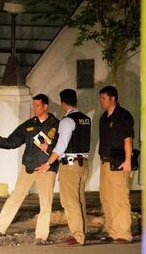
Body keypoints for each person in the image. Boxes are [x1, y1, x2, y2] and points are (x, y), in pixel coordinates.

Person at [0, 94, 60, 245]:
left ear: (45, 106)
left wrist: (49, 154)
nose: (34, 109)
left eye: (37, 106)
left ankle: (41, 236)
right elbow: (12, 142)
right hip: (29, 167)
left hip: (46, 169)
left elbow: (62, 147)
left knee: (46, 203)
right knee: (15, 197)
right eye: (33, 105)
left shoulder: (57, 124)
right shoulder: (29, 124)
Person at [39, 89, 91, 247]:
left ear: (63, 103)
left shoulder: (67, 121)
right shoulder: (85, 119)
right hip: (83, 164)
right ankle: (82, 233)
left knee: (70, 201)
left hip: (70, 165)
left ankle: (77, 236)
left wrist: (48, 163)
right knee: (79, 200)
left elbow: (62, 146)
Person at [97, 86, 135, 244]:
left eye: (103, 98)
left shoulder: (123, 116)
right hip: (105, 162)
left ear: (113, 98)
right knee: (106, 197)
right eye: (100, 99)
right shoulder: (104, 117)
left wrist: (128, 161)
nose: (101, 101)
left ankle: (124, 233)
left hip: (119, 163)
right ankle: (112, 231)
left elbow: (128, 140)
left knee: (119, 197)